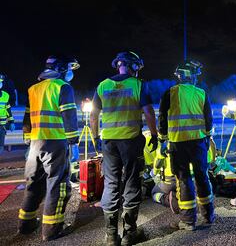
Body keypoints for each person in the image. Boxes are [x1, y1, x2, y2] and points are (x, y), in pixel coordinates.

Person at [90, 51, 158, 246]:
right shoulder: (138, 84)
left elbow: (94, 115)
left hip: (109, 142)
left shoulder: (103, 85)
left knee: (111, 182)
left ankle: (110, 236)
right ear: (133, 66)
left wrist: (96, 138)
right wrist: (154, 135)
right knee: (131, 182)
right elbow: (148, 113)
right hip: (130, 140)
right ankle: (130, 233)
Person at [18, 55, 80, 241]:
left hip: (36, 143)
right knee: (58, 184)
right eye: (69, 69)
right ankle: (52, 230)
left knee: (34, 184)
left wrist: (29, 141)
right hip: (56, 142)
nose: (70, 73)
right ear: (61, 69)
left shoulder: (33, 89)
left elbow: (27, 119)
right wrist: (73, 143)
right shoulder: (62, 87)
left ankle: (26, 224)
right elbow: (69, 116)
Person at [158, 60, 215, 231]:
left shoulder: (170, 93)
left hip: (178, 144)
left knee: (184, 180)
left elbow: (162, 118)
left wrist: (162, 140)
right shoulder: (201, 93)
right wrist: (207, 137)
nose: (197, 78)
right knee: (202, 178)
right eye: (196, 75)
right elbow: (208, 121)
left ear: (181, 76)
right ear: (191, 75)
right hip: (198, 143)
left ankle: (188, 221)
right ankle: (208, 216)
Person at [0, 74, 15, 154]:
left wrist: (12, 122)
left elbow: (8, 110)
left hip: (2, 126)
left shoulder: (6, 95)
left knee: (1, 145)